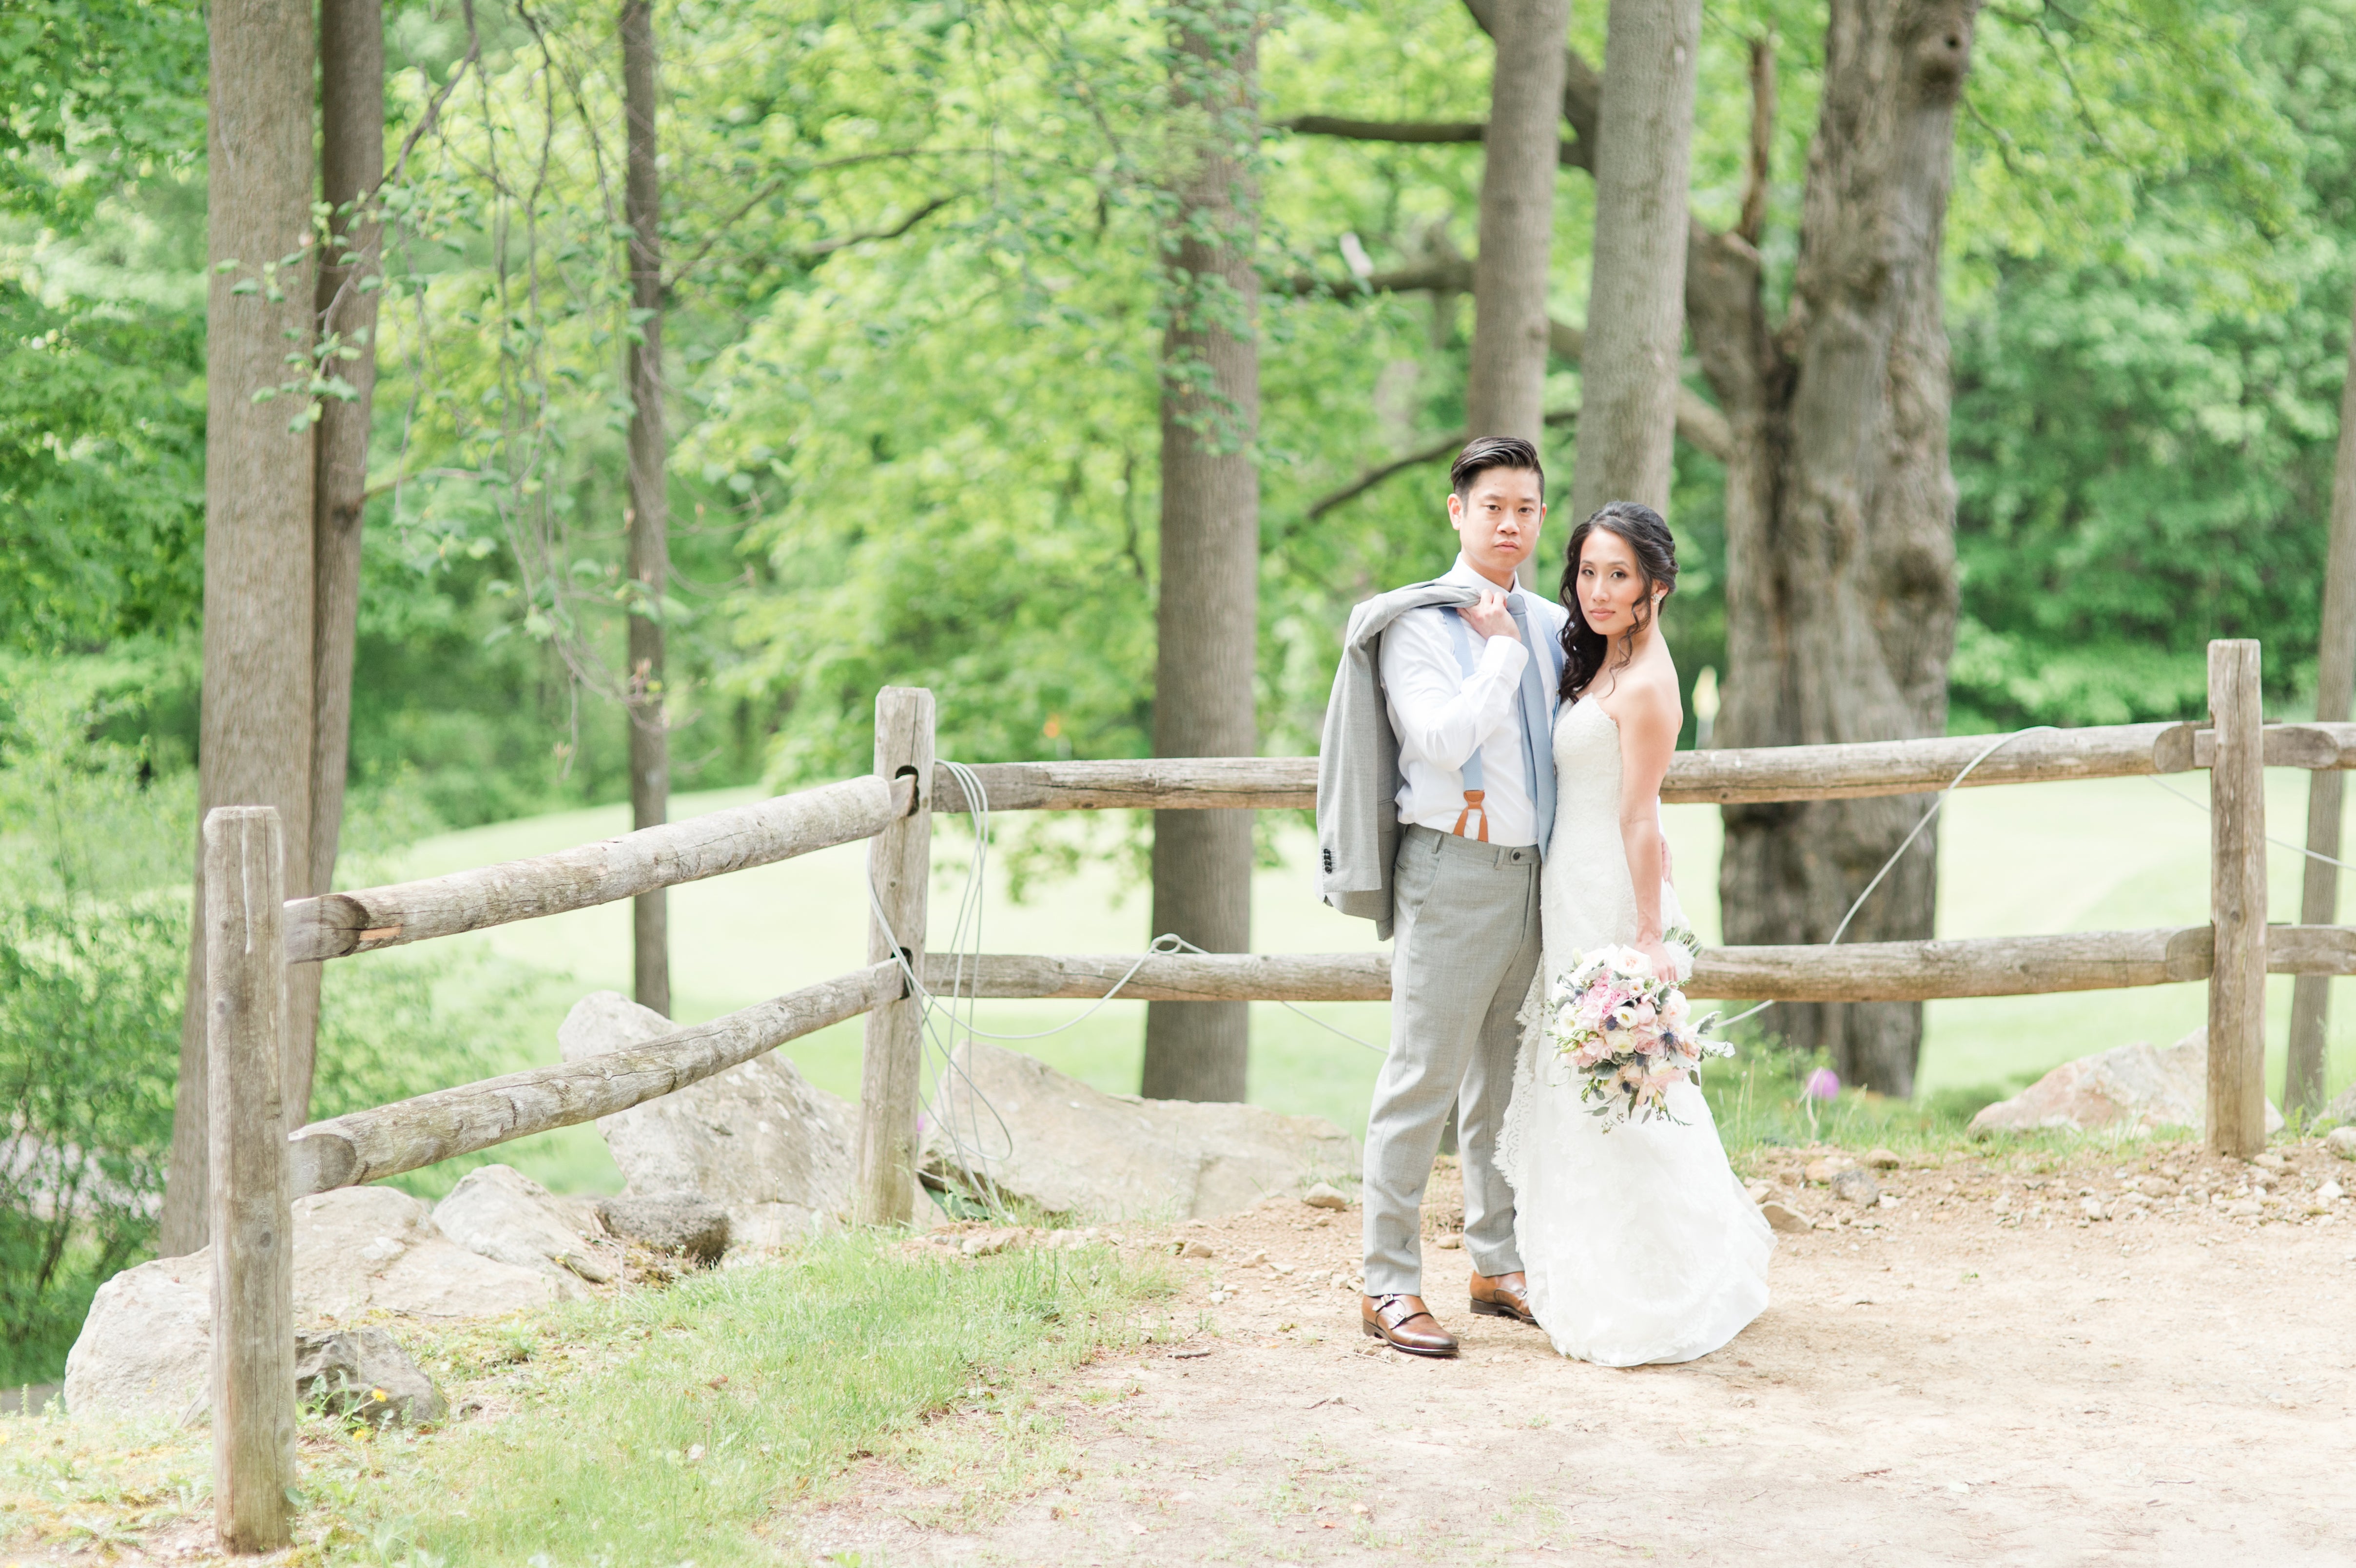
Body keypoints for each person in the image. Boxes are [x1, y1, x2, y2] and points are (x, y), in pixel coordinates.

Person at [1498, 500, 1772, 1366]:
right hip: (1568, 884)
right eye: (1586, 571)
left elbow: (1641, 817)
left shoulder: (1650, 682)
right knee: (1581, 1085)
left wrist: (1648, 941)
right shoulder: (1601, 665)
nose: (1599, 589)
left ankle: (1661, 1276)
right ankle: (1580, 1262)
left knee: (1623, 1084)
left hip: (1610, 897)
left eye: (1618, 573)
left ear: (1655, 582)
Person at [1315, 436, 1567, 1357]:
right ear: (1456, 511)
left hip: (1536, 876)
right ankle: (1387, 1282)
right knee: (1421, 1077)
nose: (1511, 523)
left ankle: (1496, 1264)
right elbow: (1437, 738)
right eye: (1493, 505)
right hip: (1452, 872)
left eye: (1527, 508)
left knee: (1505, 1082)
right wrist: (1497, 654)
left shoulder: (1550, 620)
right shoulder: (1418, 625)